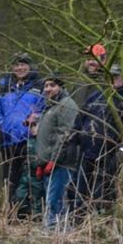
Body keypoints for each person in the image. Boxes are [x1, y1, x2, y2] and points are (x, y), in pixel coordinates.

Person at [71, 63, 123, 217]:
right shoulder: (96, 95)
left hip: (109, 154)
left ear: (122, 79)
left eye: (115, 77)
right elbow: (80, 119)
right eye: (109, 77)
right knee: (80, 191)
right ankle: (79, 221)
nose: (112, 81)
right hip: (87, 152)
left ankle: (100, 221)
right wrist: (75, 137)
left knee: (101, 192)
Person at [0, 52, 45, 203]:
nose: (20, 68)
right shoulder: (5, 85)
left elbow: (44, 107)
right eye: (16, 65)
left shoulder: (39, 85)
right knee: (9, 178)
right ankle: (10, 210)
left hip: (29, 138)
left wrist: (34, 122)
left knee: (29, 176)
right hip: (7, 139)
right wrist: (2, 124)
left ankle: (29, 211)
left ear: (30, 66)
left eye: (23, 64)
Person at [35, 73, 79, 229]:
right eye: (46, 86)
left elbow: (65, 135)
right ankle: (52, 231)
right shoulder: (51, 107)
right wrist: (40, 162)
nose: (48, 89)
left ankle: (58, 232)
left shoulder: (66, 105)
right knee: (50, 200)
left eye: (52, 85)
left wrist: (55, 159)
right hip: (49, 163)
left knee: (56, 200)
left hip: (62, 163)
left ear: (61, 87)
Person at [12, 112, 45, 219]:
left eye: (34, 125)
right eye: (30, 126)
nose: (31, 128)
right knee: (19, 196)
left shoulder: (45, 142)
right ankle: (25, 216)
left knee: (38, 200)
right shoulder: (28, 141)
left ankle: (37, 220)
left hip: (38, 176)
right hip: (26, 175)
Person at [70, 43, 107, 107]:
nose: (90, 62)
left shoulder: (108, 82)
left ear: (103, 60)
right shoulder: (79, 81)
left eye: (94, 59)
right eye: (88, 59)